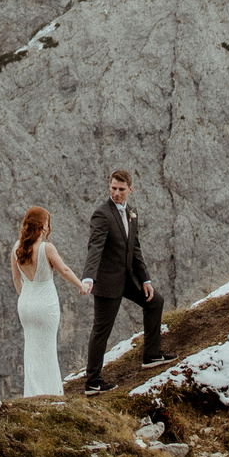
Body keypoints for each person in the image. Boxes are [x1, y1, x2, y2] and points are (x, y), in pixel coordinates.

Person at [81, 168, 167, 394]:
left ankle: (151, 355)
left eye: (121, 189)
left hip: (128, 278)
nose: (116, 193)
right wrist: (89, 277)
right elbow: (95, 248)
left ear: (130, 189)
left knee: (155, 302)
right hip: (107, 282)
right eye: (113, 188)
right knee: (101, 330)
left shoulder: (131, 212)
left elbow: (135, 249)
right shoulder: (102, 214)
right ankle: (92, 382)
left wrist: (145, 279)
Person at [9, 205, 89, 397]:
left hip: (26, 304)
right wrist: (81, 285)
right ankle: (51, 393)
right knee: (47, 349)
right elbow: (64, 270)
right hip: (45, 305)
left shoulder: (16, 248)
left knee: (31, 350)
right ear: (43, 226)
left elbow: (16, 278)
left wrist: (26, 297)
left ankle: (33, 393)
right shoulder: (46, 248)